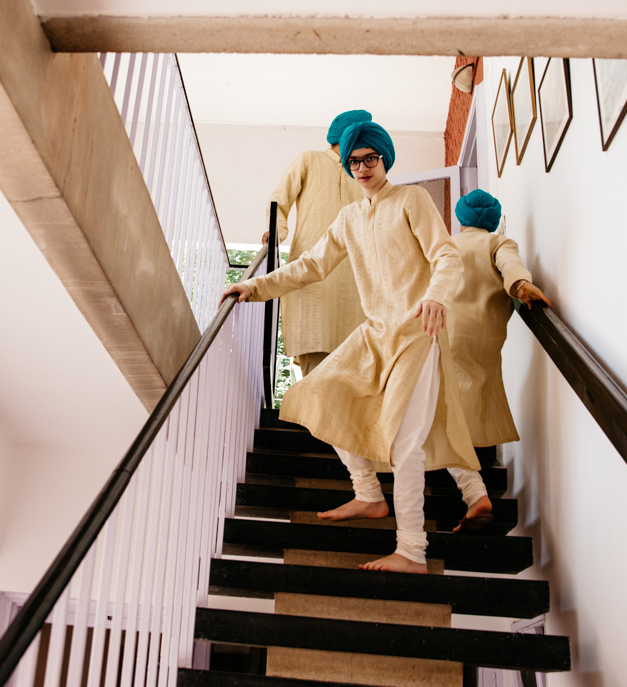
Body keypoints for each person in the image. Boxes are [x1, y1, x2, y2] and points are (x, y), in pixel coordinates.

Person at [223, 120, 489, 575]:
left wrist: (436, 296)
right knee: (315, 395)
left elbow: (446, 256)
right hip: (374, 334)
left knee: (406, 445)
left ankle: (412, 552)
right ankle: (367, 492)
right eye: (354, 161)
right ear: (346, 165)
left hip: (416, 336)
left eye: (371, 158)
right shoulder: (349, 219)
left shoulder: (412, 200)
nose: (363, 167)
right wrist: (255, 286)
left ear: (385, 159)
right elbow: (311, 265)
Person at [445, 190, 551, 482]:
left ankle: (456, 467)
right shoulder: (499, 242)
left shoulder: (446, 244)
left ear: (461, 217)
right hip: (486, 334)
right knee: (479, 390)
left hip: (445, 329)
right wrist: (520, 285)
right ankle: (477, 458)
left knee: (448, 392)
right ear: (492, 221)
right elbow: (510, 265)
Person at [261, 110, 371, 377]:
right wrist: (275, 233)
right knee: (315, 358)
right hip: (310, 273)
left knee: (351, 365)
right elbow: (280, 200)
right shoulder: (309, 159)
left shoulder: (365, 174)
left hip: (354, 277)